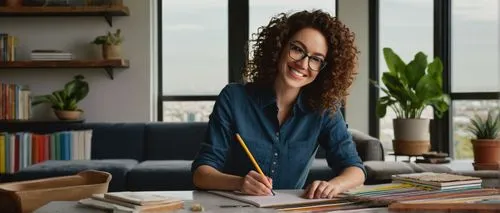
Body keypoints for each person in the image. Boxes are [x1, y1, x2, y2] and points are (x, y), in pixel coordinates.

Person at [191, 9, 366, 199]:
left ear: (324, 69)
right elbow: (201, 174)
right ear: (279, 47)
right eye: (297, 49)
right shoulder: (234, 98)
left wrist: (333, 185)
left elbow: (356, 170)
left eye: (316, 59)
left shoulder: (324, 109)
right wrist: (240, 183)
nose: (303, 64)